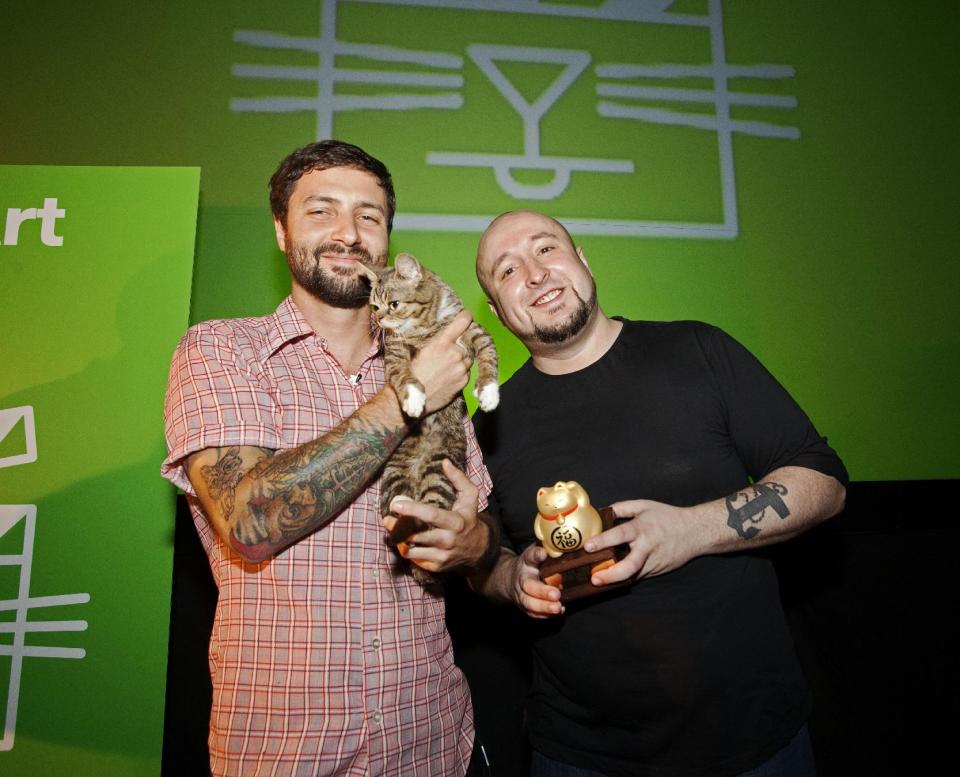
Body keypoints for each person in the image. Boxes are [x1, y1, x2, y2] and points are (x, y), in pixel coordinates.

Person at [470, 210, 848, 777]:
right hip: (578, 754)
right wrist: (512, 580)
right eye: (507, 270)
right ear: (498, 312)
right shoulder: (488, 429)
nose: (535, 273)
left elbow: (823, 481)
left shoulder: (697, 350)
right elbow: (483, 564)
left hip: (753, 742)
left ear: (583, 262)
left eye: (547, 249)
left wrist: (689, 531)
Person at [161, 140, 497, 776]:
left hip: (430, 744)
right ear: (282, 232)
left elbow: (482, 539)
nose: (348, 232)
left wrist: (473, 542)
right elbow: (251, 522)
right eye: (322, 212)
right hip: (285, 753)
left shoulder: (437, 360)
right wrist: (409, 396)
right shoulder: (222, 351)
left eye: (369, 216)